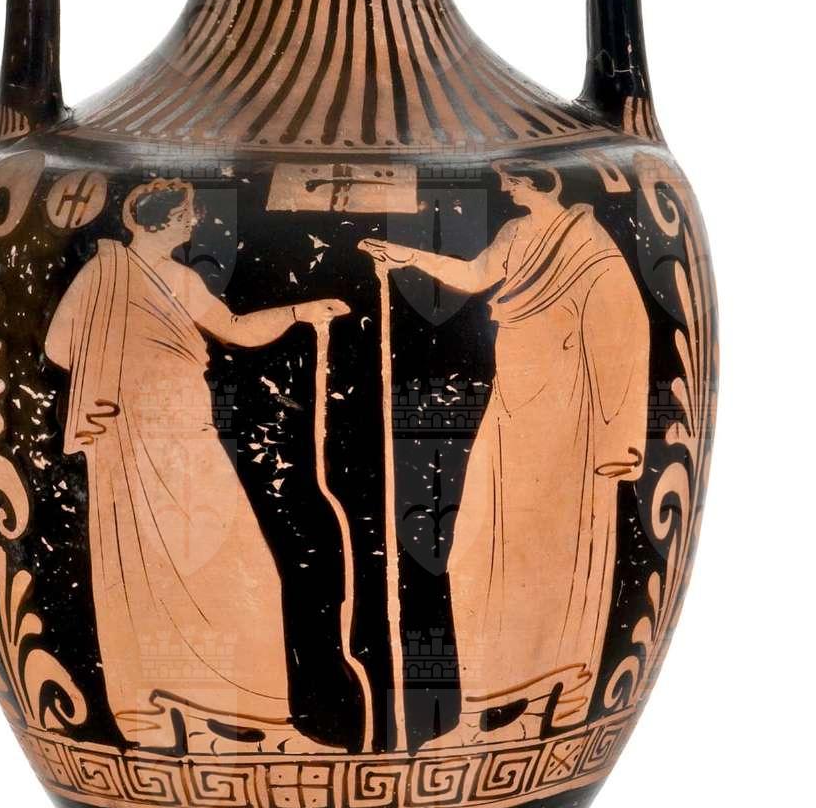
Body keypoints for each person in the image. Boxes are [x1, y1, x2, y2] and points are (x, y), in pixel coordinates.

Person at [46, 179, 347, 752]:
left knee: (242, 571)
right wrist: (113, 375)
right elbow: (60, 347)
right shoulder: (104, 274)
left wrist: (299, 311)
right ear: (160, 221)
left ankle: (258, 720)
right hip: (134, 437)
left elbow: (235, 329)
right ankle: (162, 713)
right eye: (186, 217)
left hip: (187, 432)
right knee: (147, 571)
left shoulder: (180, 279)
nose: (192, 226)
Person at [361, 166, 649, 740]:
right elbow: (474, 275)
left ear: (544, 183)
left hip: (566, 413)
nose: (505, 189)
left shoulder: (590, 244)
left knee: (554, 547)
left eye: (514, 182)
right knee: (479, 548)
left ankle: (561, 697)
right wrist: (407, 256)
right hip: (512, 398)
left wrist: (617, 435)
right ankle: (484, 705)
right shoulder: (515, 234)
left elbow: (627, 326)